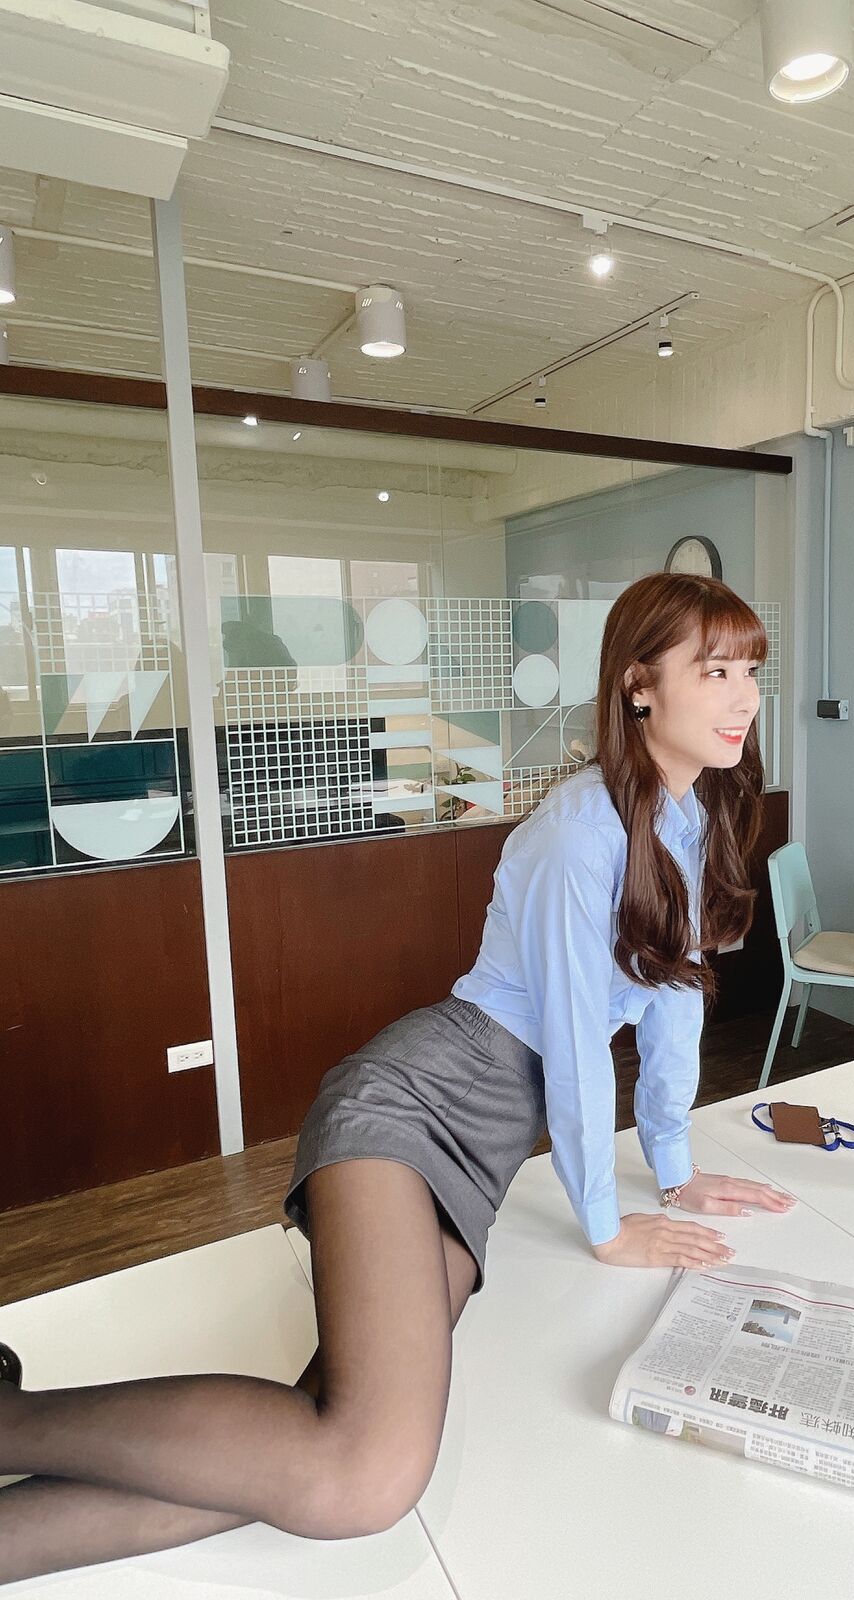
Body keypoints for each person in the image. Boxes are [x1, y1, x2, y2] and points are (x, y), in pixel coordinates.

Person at [0, 571, 795, 1581]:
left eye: (751, 672)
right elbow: (570, 1045)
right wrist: (606, 1223)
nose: (743, 698)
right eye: (715, 671)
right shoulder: (577, 832)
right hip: (409, 1108)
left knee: (315, 1442)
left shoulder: (690, 818)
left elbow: (674, 997)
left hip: (477, 1149)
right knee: (366, 1472)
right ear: (639, 685)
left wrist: (675, 1169)